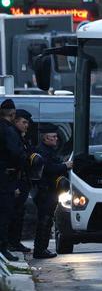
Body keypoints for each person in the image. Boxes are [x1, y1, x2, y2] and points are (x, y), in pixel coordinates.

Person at [32, 124, 70, 259]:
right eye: (53, 137)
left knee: (47, 220)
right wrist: (65, 166)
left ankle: (43, 248)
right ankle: (40, 250)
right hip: (45, 191)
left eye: (56, 136)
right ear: (45, 138)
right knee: (44, 220)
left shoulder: (50, 151)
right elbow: (48, 169)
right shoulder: (43, 151)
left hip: (50, 191)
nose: (56, 139)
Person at [0, 98, 28, 261]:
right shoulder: (8, 130)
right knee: (5, 215)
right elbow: (16, 154)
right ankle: (3, 249)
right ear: (12, 114)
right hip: (6, 179)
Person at [9, 109, 33, 254]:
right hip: (15, 180)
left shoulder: (19, 136)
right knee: (14, 213)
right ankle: (12, 242)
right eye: (24, 122)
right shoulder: (12, 135)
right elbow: (17, 158)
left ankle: (15, 242)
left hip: (22, 180)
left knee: (18, 213)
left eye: (27, 123)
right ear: (15, 121)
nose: (26, 125)